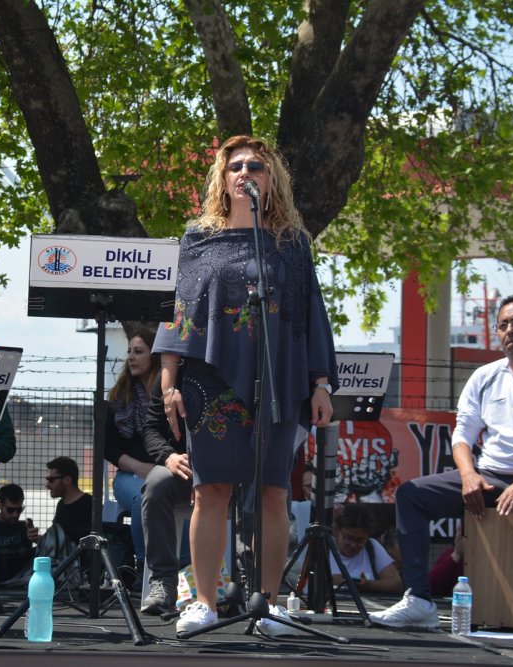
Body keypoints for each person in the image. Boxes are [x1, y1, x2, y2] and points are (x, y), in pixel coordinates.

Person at [153, 135, 339, 636]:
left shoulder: (291, 245)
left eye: (255, 166)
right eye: (235, 166)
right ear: (222, 177)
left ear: (271, 178)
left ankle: (270, 606)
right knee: (209, 492)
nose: (245, 173)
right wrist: (169, 382)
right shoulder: (197, 239)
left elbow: (311, 316)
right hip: (209, 383)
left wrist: (321, 383)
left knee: (274, 493)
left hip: (278, 382)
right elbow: (179, 313)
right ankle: (205, 604)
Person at [370, 294, 513, 641]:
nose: (510, 331)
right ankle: (418, 600)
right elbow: (462, 435)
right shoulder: (484, 376)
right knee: (410, 494)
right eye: (503, 325)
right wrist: (468, 475)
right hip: (491, 475)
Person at [104, 328, 160, 572]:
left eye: (138, 351)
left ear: (154, 356)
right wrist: (140, 468)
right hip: (128, 476)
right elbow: (108, 448)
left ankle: (183, 566)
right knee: (143, 496)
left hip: (164, 472)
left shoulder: (169, 398)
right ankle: (145, 565)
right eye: (129, 351)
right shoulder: (119, 398)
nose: (130, 358)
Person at [139, 374, 192, 614]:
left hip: (229, 468)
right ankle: (163, 581)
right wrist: (168, 456)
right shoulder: (170, 376)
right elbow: (151, 429)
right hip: (184, 468)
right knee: (156, 483)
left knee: (261, 485)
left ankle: (249, 579)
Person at [328, 503, 403, 596]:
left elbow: (397, 584)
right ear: (336, 531)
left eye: (360, 540)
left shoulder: (372, 547)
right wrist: (329, 581)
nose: (353, 545)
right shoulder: (324, 547)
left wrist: (368, 585)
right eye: (349, 538)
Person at [0, 483, 41, 584]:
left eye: (19, 510)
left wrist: (37, 540)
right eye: (10, 510)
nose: (15, 515)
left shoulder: (24, 528)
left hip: (18, 580)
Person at [45, 456, 93, 544]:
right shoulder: (61, 505)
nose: (46, 484)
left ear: (67, 480)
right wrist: (39, 539)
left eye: (51, 480)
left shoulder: (90, 504)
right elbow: (60, 542)